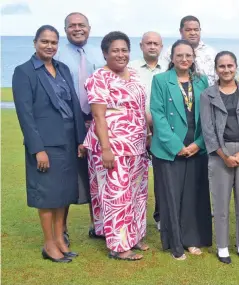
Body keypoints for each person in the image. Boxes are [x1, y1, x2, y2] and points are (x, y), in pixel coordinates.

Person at [13, 25, 87, 263]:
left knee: (62, 194)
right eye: (44, 41)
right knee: (46, 195)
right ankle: (48, 244)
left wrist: (79, 140)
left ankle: (59, 240)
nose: (49, 46)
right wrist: (38, 149)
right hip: (45, 144)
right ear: (35, 43)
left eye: (54, 42)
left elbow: (75, 106)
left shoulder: (62, 68)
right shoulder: (24, 72)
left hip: (67, 142)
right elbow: (25, 115)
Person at [84, 31, 150, 261]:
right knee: (117, 195)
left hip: (137, 145)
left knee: (136, 194)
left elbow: (140, 109)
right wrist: (105, 149)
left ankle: (134, 236)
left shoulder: (133, 76)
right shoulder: (99, 78)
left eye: (124, 50)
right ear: (105, 53)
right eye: (115, 50)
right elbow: (99, 116)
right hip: (113, 146)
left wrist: (149, 133)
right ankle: (119, 246)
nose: (121, 55)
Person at [150, 40, 212, 260]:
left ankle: (193, 240)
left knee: (194, 197)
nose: (184, 59)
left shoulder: (202, 80)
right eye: (179, 55)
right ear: (172, 58)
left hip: (196, 147)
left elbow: (208, 117)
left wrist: (199, 144)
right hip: (169, 150)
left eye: (188, 55)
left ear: (193, 58)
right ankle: (176, 245)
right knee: (171, 197)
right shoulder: (160, 81)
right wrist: (177, 146)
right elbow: (157, 115)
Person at [200, 51, 239, 264]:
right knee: (221, 201)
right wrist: (224, 155)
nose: (226, 70)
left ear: (236, 67)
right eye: (222, 66)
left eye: (230, 65)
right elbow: (207, 130)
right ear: (216, 69)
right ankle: (222, 246)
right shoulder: (208, 94)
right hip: (220, 153)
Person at [54, 12, 104, 243]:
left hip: (96, 121)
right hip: (66, 122)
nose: (77, 29)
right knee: (66, 176)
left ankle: (99, 225)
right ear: (65, 29)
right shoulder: (57, 54)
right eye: (72, 26)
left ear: (89, 28)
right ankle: (61, 230)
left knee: (97, 175)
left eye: (81, 25)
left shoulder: (98, 54)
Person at [128, 31, 165, 230]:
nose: (152, 46)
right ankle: (133, 216)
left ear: (161, 47)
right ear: (141, 45)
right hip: (134, 128)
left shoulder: (169, 68)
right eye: (148, 43)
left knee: (162, 174)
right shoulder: (130, 68)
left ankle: (160, 216)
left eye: (156, 43)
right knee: (135, 174)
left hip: (162, 130)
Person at [161, 15, 218, 85]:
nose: (193, 33)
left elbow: (219, 79)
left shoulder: (211, 53)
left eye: (196, 30)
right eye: (188, 30)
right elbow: (163, 78)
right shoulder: (170, 52)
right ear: (180, 31)